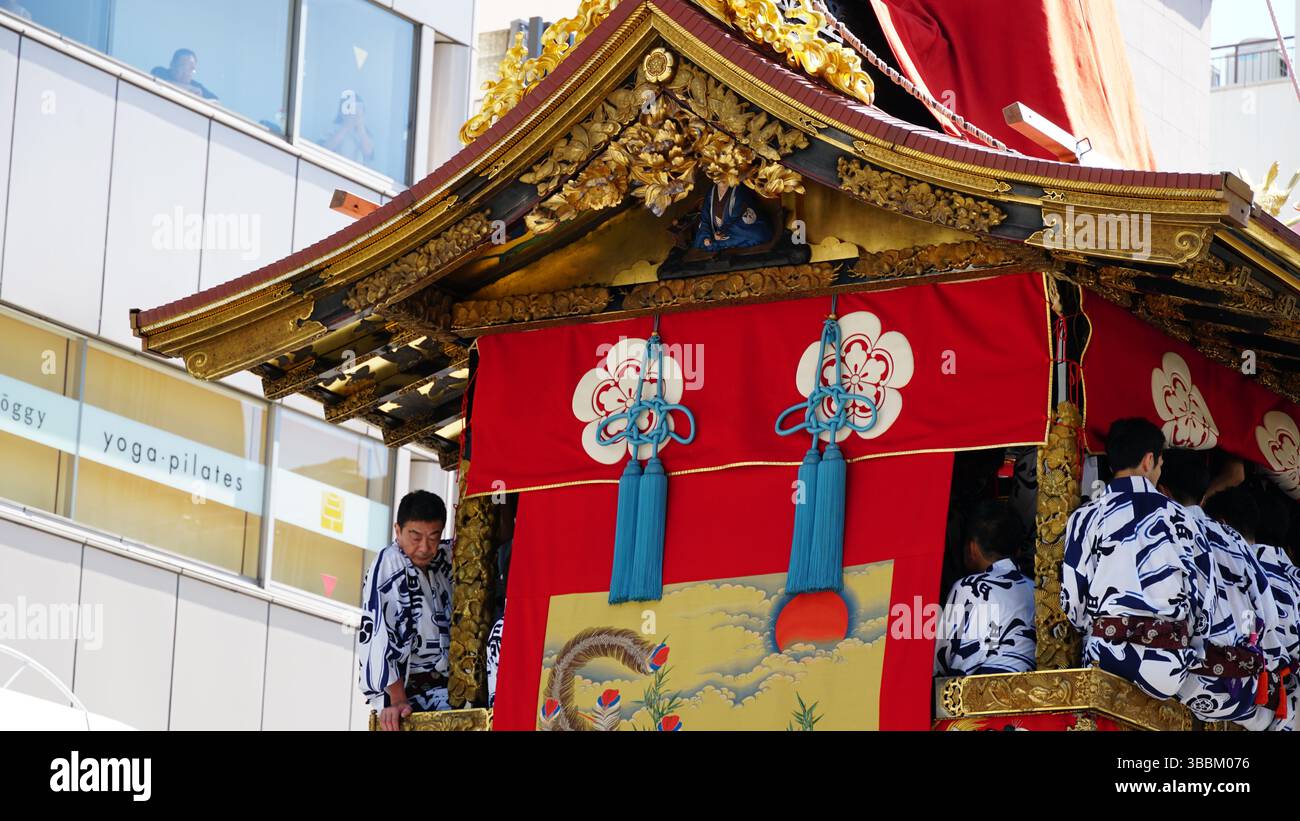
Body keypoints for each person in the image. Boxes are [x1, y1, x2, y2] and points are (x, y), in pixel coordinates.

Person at [1060, 418, 1203, 700]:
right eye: (1160, 464)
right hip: (1167, 666)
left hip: (1105, 656)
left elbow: (1072, 602)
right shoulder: (1181, 517)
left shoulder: (1086, 516)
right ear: (1149, 460)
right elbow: (1202, 599)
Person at [1159, 450, 1281, 728]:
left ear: (1161, 489)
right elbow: (1267, 617)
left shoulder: (1163, 528)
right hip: (1244, 689)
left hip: (1183, 676)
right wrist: (1248, 642)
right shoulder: (1235, 541)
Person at [1205, 485, 1298, 730]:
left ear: (1220, 523)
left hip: (1249, 697)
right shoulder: (1287, 577)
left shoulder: (1231, 560)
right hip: (1275, 702)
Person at [358, 490, 453, 731]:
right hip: (409, 696)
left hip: (451, 691)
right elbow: (379, 633)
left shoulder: (443, 557)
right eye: (415, 536)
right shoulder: (388, 563)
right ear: (397, 530)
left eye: (433, 536)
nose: (425, 547)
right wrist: (396, 699)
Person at [934, 500, 1036, 676]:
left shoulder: (968, 587)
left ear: (972, 548)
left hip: (982, 694)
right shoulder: (1035, 588)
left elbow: (942, 656)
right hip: (1035, 688)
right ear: (1019, 550)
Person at [321, 90, 376, 165]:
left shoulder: (365, 134)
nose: (353, 114)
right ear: (341, 112)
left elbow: (368, 153)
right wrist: (346, 126)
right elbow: (325, 149)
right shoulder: (333, 129)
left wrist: (360, 127)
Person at [151, 49, 218, 100]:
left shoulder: (196, 86)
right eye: (183, 66)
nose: (187, 72)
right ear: (172, 64)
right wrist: (190, 90)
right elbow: (159, 82)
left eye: (191, 68)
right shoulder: (160, 71)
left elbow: (215, 101)